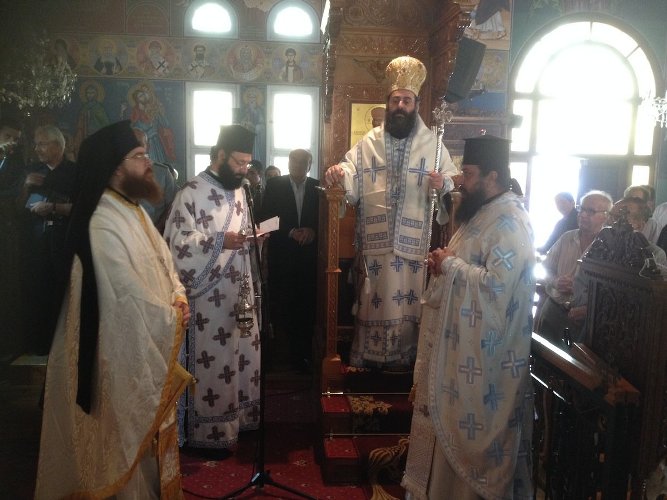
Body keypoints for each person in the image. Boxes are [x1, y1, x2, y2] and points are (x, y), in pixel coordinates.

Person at [35, 120, 191, 499]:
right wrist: (170, 316)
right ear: (115, 167)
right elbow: (125, 295)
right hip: (116, 357)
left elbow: (164, 264)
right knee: (121, 450)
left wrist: (178, 296)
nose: (148, 162)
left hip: (142, 344)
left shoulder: (132, 209)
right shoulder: (102, 220)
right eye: (138, 156)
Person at [402, 134, 535, 500]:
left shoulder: (510, 221)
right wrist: (443, 265)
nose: (462, 180)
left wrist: (451, 266)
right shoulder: (483, 213)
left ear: (493, 176)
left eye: (470, 173)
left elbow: (497, 290)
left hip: (484, 364)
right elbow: (464, 265)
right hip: (459, 356)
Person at [323, 55, 459, 369]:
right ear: (388, 103)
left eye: (406, 101)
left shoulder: (432, 144)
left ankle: (406, 361)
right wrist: (339, 173)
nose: (400, 106)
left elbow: (451, 180)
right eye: (395, 100)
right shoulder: (368, 143)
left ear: (416, 105)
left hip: (413, 246)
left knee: (410, 304)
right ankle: (370, 361)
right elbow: (350, 171)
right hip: (375, 244)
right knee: (374, 300)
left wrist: (442, 182)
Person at [164, 124, 261, 453]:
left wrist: (255, 238)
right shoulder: (190, 192)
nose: (244, 169)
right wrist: (219, 241)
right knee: (215, 363)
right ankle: (208, 433)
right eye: (238, 162)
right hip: (207, 299)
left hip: (239, 291)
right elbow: (177, 243)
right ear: (220, 155)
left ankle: (239, 420)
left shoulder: (241, 191)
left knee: (240, 357)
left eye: (247, 163)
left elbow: (241, 234)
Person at [18, 124, 76, 354]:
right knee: (37, 291)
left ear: (58, 145)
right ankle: (38, 347)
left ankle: (64, 347)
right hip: (35, 243)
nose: (37, 149)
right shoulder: (32, 171)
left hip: (64, 241)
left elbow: (83, 208)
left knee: (62, 293)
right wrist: (25, 186)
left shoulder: (75, 172)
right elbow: (17, 207)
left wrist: (52, 207)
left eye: (42, 144)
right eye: (36, 144)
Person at [259, 149, 319, 372]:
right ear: (288, 162)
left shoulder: (317, 187)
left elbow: (324, 219)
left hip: (309, 260)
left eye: (304, 162)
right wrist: (291, 231)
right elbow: (265, 220)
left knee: (305, 308)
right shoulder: (275, 185)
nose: (298, 165)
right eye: (294, 160)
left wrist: (313, 231)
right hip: (283, 257)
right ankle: (280, 356)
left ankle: (302, 356)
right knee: (282, 306)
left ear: (310, 165)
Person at [533, 190, 613, 343]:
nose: (583, 215)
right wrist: (555, 281)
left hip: (583, 318)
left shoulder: (610, 248)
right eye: (581, 209)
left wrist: (589, 305)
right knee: (543, 355)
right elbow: (545, 268)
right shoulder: (566, 238)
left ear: (606, 216)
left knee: (573, 357)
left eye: (591, 211)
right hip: (554, 309)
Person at [133, 127, 179, 233]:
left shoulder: (162, 173)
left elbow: (173, 205)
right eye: (132, 143)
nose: (136, 147)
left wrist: (158, 228)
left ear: (147, 146)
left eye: (140, 143)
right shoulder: (118, 173)